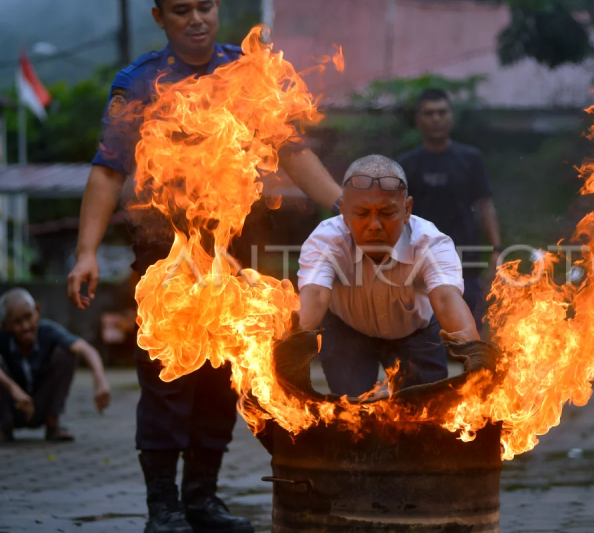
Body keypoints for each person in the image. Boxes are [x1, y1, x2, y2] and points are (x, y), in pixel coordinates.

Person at [65, 2, 343, 533]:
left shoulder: (246, 69)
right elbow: (107, 172)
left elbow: (293, 152)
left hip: (234, 250)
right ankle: (162, 508)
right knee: (168, 379)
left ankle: (202, 500)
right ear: (159, 16)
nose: (196, 19)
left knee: (223, 379)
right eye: (181, 9)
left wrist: (344, 210)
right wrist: (85, 252)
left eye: (206, 6)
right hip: (163, 254)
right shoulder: (140, 82)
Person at [296, 155, 480, 396]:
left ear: (407, 210)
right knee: (352, 418)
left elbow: (446, 299)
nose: (374, 224)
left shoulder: (431, 243)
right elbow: (316, 295)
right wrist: (290, 347)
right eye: (361, 213)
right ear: (343, 212)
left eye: (386, 212)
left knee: (424, 416)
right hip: (347, 333)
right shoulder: (325, 240)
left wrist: (476, 354)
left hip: (417, 333)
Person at [396, 88, 503, 330]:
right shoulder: (407, 163)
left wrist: (496, 248)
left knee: (468, 335)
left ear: (451, 117)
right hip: (419, 261)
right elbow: (396, 213)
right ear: (418, 120)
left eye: (442, 112)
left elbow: (485, 204)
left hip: (465, 258)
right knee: (424, 339)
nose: (436, 119)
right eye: (429, 113)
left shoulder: (470, 159)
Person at [0, 289, 110, 443]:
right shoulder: (2, 336)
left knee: (66, 353)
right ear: (5, 326)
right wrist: (13, 389)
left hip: (40, 406)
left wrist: (100, 381)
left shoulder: (48, 330)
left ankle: (53, 423)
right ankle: (4, 428)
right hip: (13, 406)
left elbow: (86, 349)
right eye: (17, 322)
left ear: (37, 311)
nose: (25, 326)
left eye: (28, 317)